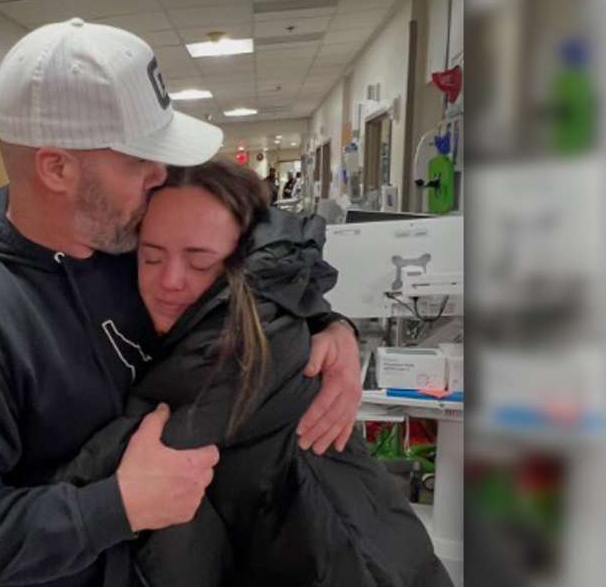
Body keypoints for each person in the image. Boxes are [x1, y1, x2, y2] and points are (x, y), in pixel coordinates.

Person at [0, 18, 361, 587]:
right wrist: (116, 507)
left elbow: (257, 249)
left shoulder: (132, 234)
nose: (161, 175)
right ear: (57, 167)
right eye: (140, 160)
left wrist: (327, 324)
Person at [54, 159, 452, 586]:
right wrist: (331, 322)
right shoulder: (256, 315)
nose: (169, 281)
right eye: (151, 259)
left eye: (200, 261)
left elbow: (120, 481)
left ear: (238, 263)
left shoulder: (237, 352)